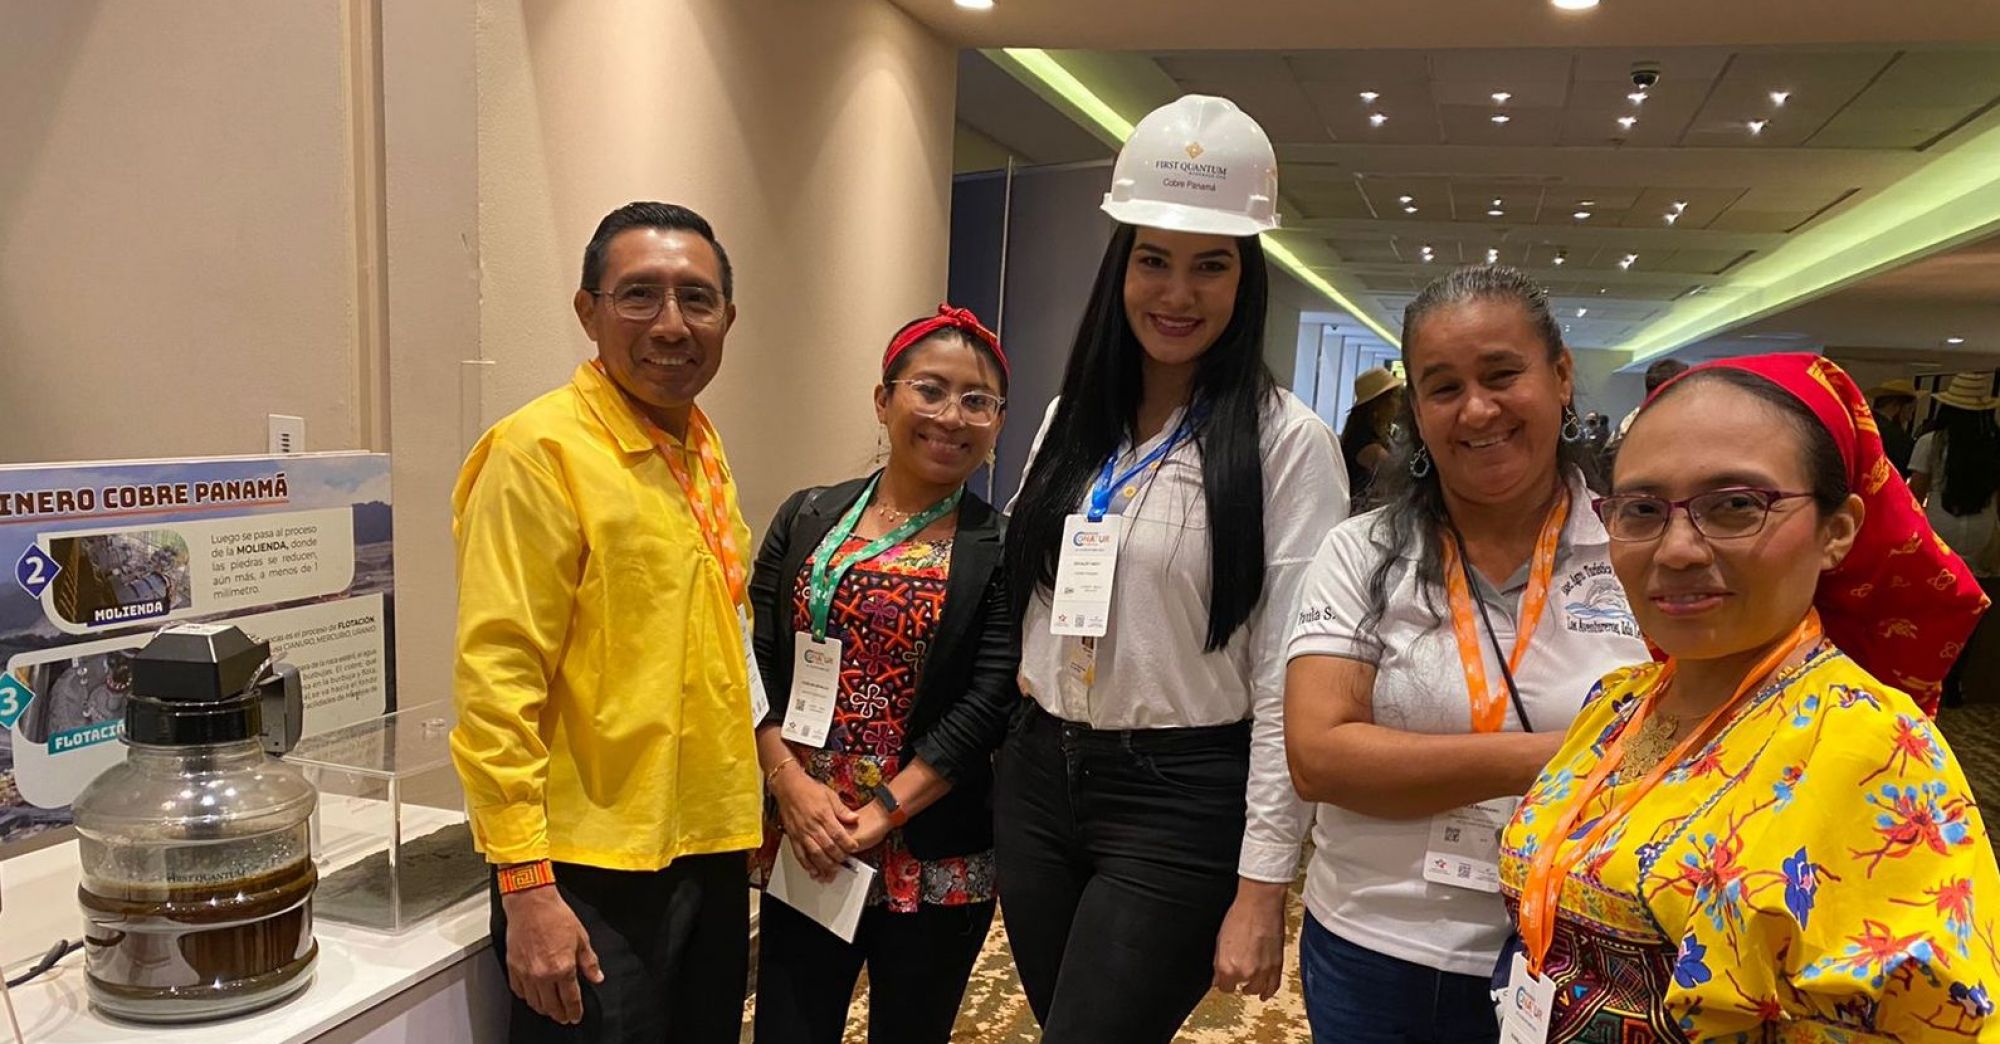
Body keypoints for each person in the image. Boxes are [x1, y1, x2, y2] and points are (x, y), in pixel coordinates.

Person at [1498, 353, 1995, 1041]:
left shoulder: (1872, 750)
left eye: (1735, 505)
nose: (1676, 549)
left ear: (1837, 530)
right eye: (1642, 510)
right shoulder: (1618, 703)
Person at [995, 94, 1347, 1043]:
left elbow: (1285, 677)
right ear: (1122, 266)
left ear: (1247, 278)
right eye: (1153, 260)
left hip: (1180, 796)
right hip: (1037, 779)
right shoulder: (1074, 419)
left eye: (1210, 266)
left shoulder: (1288, 445)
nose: (1177, 294)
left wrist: (1263, 884)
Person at [1284, 265, 1649, 1043]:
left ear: (1560, 376)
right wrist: (1578, 754)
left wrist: (1412, 762)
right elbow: (1319, 758)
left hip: (1587, 948)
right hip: (1377, 942)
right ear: (1416, 412)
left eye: (1502, 374)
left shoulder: (1638, 549)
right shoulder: (1361, 552)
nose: (1477, 409)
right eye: (1443, 387)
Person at [452, 201, 758, 1042]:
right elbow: (497, 678)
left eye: (697, 299)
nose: (672, 324)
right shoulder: (538, 452)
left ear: (727, 319)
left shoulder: (699, 446)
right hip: (586, 871)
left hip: (706, 844)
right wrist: (527, 887)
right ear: (588, 312)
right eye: (639, 295)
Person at [746, 306, 1019, 1044]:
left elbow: (990, 699)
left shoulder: (1002, 546)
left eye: (977, 400)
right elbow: (755, 658)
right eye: (929, 390)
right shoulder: (807, 515)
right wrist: (788, 784)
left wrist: (880, 814)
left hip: (933, 846)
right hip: (809, 831)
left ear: (997, 423)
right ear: (883, 400)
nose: (951, 416)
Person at [1909, 371, 2000, 704]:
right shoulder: (1994, 445)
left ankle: (1926, 674)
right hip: (1982, 527)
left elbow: (1916, 494)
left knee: (1932, 603)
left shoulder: (1932, 443)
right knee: (1970, 606)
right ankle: (1955, 683)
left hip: (1940, 524)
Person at [1341, 365, 1403, 511]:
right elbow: (1400, 478)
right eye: (1395, 397)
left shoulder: (1374, 435)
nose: (1399, 404)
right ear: (1379, 405)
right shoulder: (1369, 446)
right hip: (1364, 514)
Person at [1870, 377, 1924, 476]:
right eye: (1910, 410)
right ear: (1895, 405)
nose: (1909, 418)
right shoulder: (1898, 438)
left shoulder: (1859, 422)